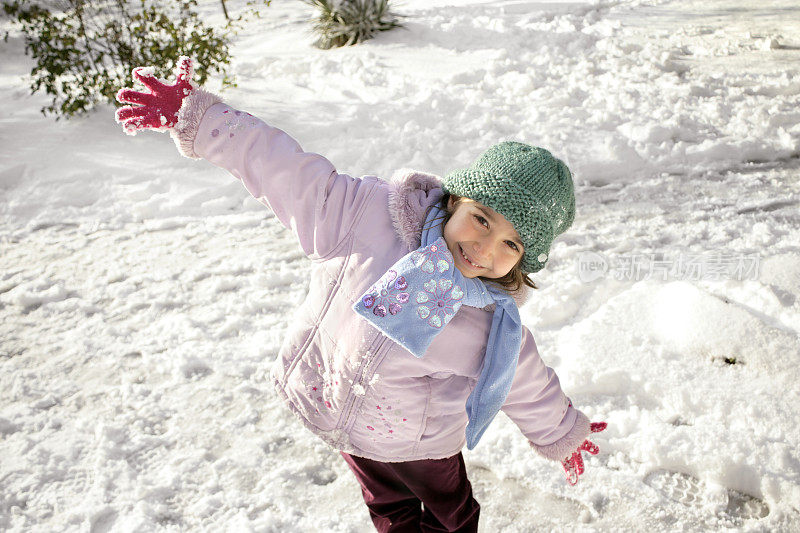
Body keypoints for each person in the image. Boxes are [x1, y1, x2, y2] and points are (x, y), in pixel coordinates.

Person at [115, 57, 607, 533]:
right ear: (455, 199)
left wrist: (561, 432)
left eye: (511, 244)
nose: (484, 247)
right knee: (388, 508)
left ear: (523, 259)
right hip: (339, 411)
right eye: (482, 219)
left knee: (448, 513)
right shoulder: (363, 215)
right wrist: (202, 120)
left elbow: (526, 382)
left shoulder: (491, 321)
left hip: (423, 444)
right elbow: (288, 173)